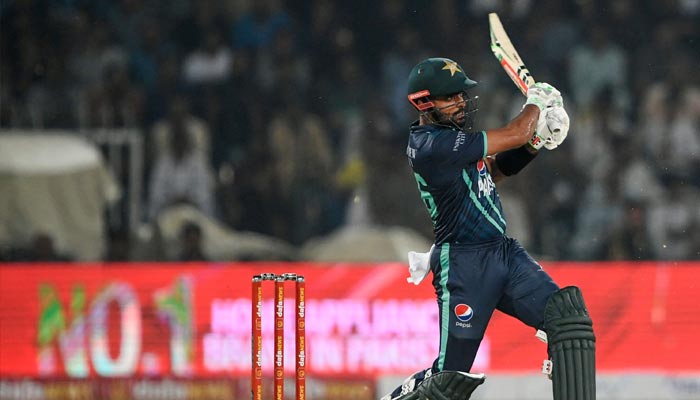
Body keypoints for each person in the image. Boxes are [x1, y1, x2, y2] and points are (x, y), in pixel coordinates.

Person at [382, 58, 596, 400]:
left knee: (568, 321)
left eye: (461, 96)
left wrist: (537, 141)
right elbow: (515, 132)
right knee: (448, 383)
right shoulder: (430, 144)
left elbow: (493, 171)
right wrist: (536, 104)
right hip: (465, 267)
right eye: (450, 98)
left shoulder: (454, 142)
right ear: (424, 103)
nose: (461, 103)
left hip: (503, 253)